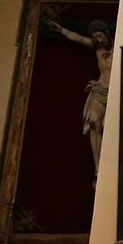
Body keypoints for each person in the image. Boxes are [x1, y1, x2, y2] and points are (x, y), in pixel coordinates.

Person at [44, 17, 112, 175]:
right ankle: (97, 167)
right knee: (94, 122)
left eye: (101, 36)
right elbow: (79, 38)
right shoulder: (97, 48)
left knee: (110, 127)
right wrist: (61, 30)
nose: (98, 40)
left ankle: (108, 164)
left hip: (113, 92)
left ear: (107, 33)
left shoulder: (118, 47)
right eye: (95, 37)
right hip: (99, 89)